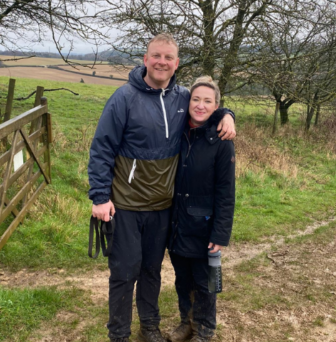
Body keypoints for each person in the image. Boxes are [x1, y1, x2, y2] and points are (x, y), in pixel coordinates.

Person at [86, 33, 236, 342]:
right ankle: (119, 335)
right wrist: (100, 197)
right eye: (156, 56)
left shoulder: (182, 97)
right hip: (125, 205)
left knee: (152, 271)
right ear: (145, 59)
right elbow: (102, 148)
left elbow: (206, 107)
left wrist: (227, 114)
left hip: (162, 208)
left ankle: (150, 327)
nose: (162, 62)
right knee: (125, 273)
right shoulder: (123, 98)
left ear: (177, 63)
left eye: (168, 58)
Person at [165, 76, 235, 342]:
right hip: (177, 223)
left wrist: (220, 233)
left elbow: (226, 192)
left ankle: (204, 330)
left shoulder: (222, 139)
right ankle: (187, 322)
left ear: (216, 105)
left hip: (205, 226)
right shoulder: (177, 131)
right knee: (182, 279)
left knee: (205, 283)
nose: (200, 105)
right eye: (196, 99)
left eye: (208, 101)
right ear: (188, 101)